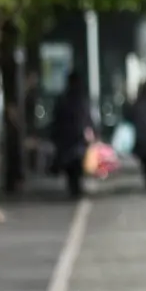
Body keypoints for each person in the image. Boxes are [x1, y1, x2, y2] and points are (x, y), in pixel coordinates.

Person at [51, 70, 94, 199]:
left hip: (67, 137)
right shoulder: (82, 98)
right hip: (79, 136)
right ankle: (77, 187)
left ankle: (73, 187)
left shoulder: (64, 98)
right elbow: (87, 116)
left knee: (70, 164)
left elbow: (57, 118)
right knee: (78, 163)